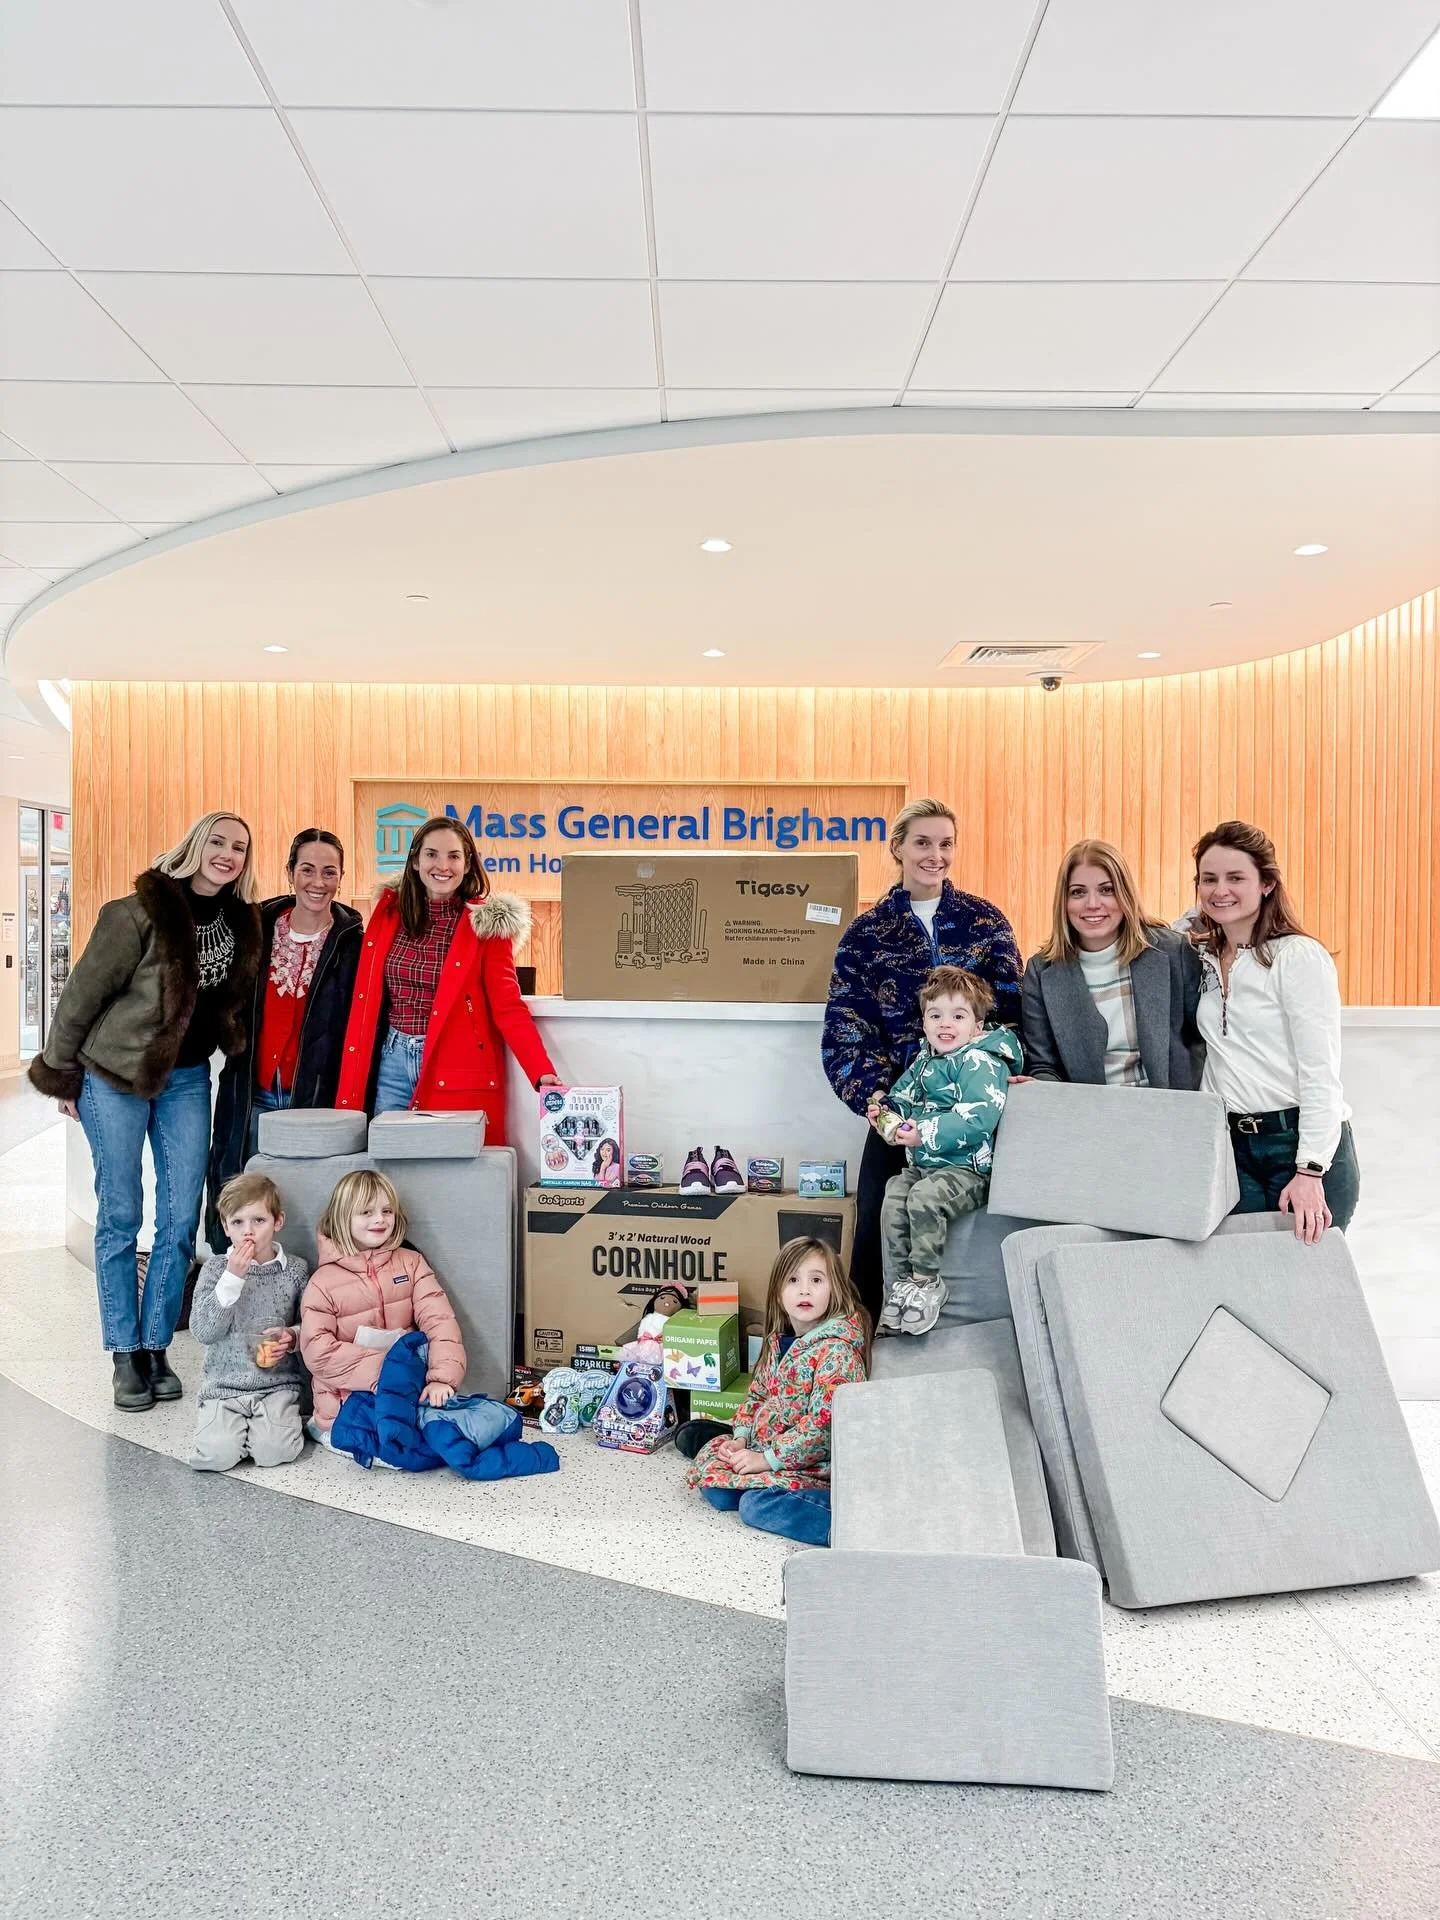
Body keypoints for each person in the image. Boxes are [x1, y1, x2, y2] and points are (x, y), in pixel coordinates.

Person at [30, 811, 262, 1411]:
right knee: (120, 1213)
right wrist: (63, 1071)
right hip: (115, 1077)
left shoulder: (242, 921)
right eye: (217, 841)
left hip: (186, 1080)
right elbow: (83, 993)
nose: (228, 854)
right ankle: (123, 1353)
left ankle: (158, 1345)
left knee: (182, 1216)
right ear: (194, 844)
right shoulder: (135, 911)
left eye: (239, 847)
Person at [821, 798, 1022, 1325]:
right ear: (898, 849)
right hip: (900, 1115)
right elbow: (847, 1033)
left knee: (983, 1233)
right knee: (875, 1226)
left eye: (945, 843)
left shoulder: (985, 923)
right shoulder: (865, 937)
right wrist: (876, 1100)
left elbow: (1015, 1011)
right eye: (923, 842)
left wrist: (1014, 1074)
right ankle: (870, 1338)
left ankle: (963, 1338)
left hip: (978, 1116)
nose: (936, 855)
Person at [334, 814, 560, 1138]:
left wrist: (541, 1072)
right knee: (391, 1164)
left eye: (454, 856)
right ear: (415, 861)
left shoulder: (485, 927)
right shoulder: (388, 914)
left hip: (453, 1065)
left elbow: (508, 1007)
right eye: (432, 854)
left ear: (468, 864)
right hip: (392, 1064)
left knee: (450, 1174)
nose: (443, 865)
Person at [1191, 820, 1359, 1241]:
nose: (1219, 890)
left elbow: (1321, 1074)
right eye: (1208, 879)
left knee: (1307, 1289)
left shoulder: (1298, 957)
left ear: (1266, 884)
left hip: (1297, 1147)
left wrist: (1310, 1169)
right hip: (1233, 1149)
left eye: (1236, 878)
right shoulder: (1204, 955)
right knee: (1249, 1284)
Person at [207, 828, 363, 1248]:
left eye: (329, 872)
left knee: (306, 1204)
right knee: (240, 1195)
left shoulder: (353, 943)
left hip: (313, 1098)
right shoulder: (254, 929)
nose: (318, 881)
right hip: (251, 1090)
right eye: (307, 869)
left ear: (341, 877)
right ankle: (231, 1287)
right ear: (290, 872)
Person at [687, 1238, 869, 1547]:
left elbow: (822, 1429)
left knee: (756, 1507)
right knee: (716, 1489)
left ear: (834, 1289)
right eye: (793, 1280)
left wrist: (767, 1459)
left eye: (816, 1280)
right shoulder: (778, 1342)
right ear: (778, 1292)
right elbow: (756, 1395)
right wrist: (741, 1438)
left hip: (813, 1465)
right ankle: (755, 1473)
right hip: (768, 1448)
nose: (804, 1290)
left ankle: (843, 1524)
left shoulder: (837, 1352)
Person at [871, 967, 1022, 1336]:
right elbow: (900, 1098)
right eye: (935, 1015)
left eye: (958, 1016)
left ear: (977, 1026)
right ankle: (901, 1286)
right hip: (924, 1165)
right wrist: (886, 1116)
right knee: (893, 1195)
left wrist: (923, 1132)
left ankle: (926, 1282)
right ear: (923, 1022)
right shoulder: (925, 1062)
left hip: (969, 1171)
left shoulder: (981, 1062)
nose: (945, 1024)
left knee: (924, 1197)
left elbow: (978, 1118)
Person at [1020, 839, 1204, 1089]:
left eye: (1107, 890)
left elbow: (1202, 1040)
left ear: (1125, 894)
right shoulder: (1041, 972)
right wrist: (1039, 1086)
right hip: (1089, 1117)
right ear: (1063, 902)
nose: (1093, 904)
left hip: (1169, 1112)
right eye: (1078, 892)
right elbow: (1045, 1066)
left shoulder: (1173, 951)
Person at [300, 1169, 466, 1438]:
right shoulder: (322, 1281)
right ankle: (323, 1429)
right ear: (343, 1217)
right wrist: (393, 1372)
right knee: (398, 1451)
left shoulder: (412, 1263)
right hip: (344, 1408)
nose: (379, 1219)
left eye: (387, 1211)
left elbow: (440, 1323)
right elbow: (317, 1351)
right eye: (366, 1212)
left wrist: (441, 1378)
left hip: (407, 1394)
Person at [188, 1173, 308, 1473]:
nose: (248, 1232)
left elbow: (313, 1325)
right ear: (226, 1226)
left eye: (259, 1220)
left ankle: (259, 1432)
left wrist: (291, 1336)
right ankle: (231, 1430)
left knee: (274, 1452)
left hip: (276, 1385)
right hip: (223, 1387)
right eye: (238, 1222)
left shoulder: (295, 1270)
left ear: (277, 1222)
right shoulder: (216, 1269)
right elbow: (203, 1331)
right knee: (216, 1456)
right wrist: (232, 1279)